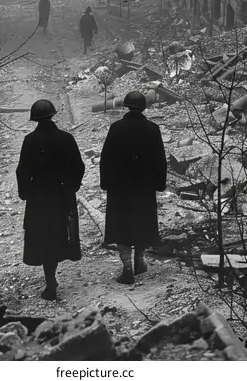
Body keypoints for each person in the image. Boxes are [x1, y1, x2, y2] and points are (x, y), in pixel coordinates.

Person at [16, 99, 85, 301]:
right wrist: (73, 186)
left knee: (42, 236)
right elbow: (79, 166)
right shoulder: (66, 138)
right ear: (53, 115)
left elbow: (22, 171)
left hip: (39, 197)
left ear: (35, 118)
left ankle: (50, 280)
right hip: (62, 195)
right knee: (61, 233)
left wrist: (25, 192)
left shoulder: (30, 140)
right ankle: (52, 276)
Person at [99, 91, 167, 285]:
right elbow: (160, 161)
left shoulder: (116, 128)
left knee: (121, 225)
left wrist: (105, 182)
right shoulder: (153, 129)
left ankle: (127, 267)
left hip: (120, 188)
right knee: (141, 223)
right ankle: (140, 261)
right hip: (144, 188)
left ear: (126, 106)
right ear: (144, 107)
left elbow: (106, 159)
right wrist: (159, 184)